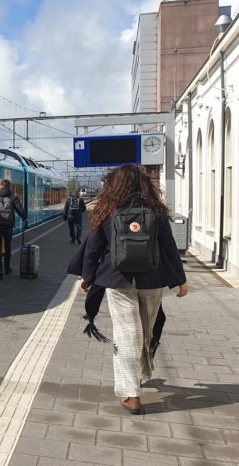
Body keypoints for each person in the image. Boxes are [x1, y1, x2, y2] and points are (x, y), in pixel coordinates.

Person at [80, 164, 188, 415]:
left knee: (127, 333)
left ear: (114, 186)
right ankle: (139, 375)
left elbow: (93, 248)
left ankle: (132, 394)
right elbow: (169, 248)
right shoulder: (156, 212)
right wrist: (180, 280)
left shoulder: (107, 211)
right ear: (144, 185)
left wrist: (88, 277)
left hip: (118, 280)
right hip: (152, 281)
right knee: (145, 333)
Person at [0, 179, 26, 279]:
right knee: (7, 247)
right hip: (8, 226)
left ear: (0, 186)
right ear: (9, 186)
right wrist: (24, 217)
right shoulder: (13, 197)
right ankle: (7, 268)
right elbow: (20, 210)